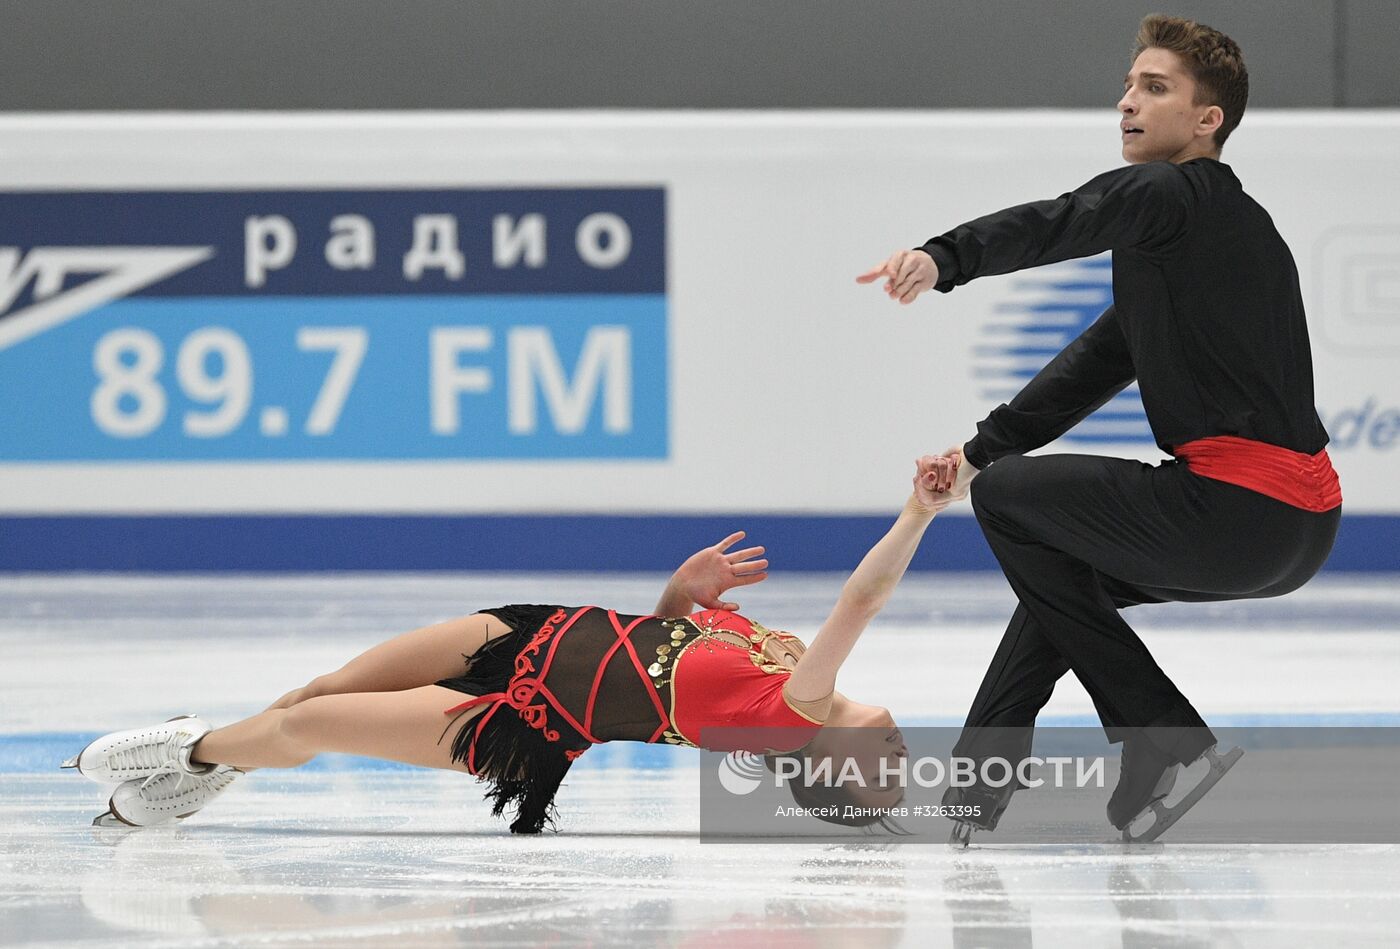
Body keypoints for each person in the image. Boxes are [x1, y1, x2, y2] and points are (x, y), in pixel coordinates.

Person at [857, 14, 1341, 842]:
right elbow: (1098, 360)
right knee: (1058, 572)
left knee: (1015, 503)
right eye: (1127, 86)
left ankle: (1160, 730)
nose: (1126, 103)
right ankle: (979, 786)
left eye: (1154, 89)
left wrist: (946, 257)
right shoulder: (1218, 235)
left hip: (1236, 507)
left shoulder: (1169, 195)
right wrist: (977, 453)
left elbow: (1062, 217)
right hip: (1299, 528)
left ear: (1206, 120)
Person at [63, 457, 960, 832]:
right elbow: (662, 653)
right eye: (902, 751)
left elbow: (867, 593)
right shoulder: (787, 658)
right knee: (317, 689)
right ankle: (210, 767)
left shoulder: (797, 712)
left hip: (528, 718)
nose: (895, 742)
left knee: (314, 726)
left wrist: (917, 512)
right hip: (536, 629)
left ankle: (189, 748)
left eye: (879, 762)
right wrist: (683, 595)